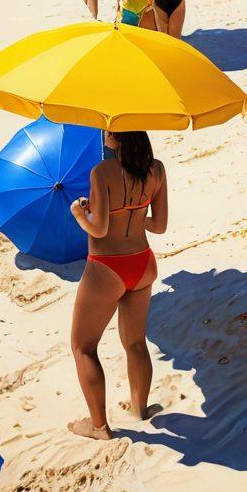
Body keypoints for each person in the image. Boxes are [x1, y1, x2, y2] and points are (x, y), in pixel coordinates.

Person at [68, 129, 168, 439]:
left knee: (83, 347)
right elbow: (160, 225)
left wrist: (78, 214)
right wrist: (135, 217)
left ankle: (99, 427)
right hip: (142, 263)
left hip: (107, 268)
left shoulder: (102, 172)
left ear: (116, 137)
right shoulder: (157, 169)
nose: (104, 133)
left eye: (108, 129)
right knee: (135, 342)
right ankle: (141, 408)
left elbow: (98, 230)